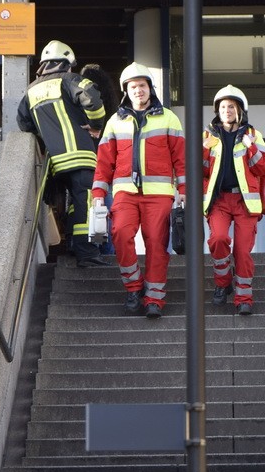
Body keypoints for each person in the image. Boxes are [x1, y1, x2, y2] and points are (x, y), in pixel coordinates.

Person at [91, 62, 186, 318]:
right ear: (126, 91)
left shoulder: (169, 118)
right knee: (120, 234)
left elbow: (181, 159)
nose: (138, 91)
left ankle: (154, 298)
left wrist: (184, 189)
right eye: (133, 87)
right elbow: (103, 163)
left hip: (159, 195)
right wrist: (98, 194)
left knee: (156, 244)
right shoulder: (114, 122)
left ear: (149, 88)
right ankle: (134, 288)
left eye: (142, 86)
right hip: (125, 194)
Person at [17, 40, 110, 268]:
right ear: (67, 63)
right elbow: (92, 98)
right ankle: (86, 253)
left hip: (55, 163)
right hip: (80, 155)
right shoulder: (71, 80)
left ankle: (71, 245)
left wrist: (47, 137)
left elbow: (23, 123)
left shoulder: (30, 90)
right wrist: (96, 124)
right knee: (85, 201)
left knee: (71, 203)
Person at [201, 85, 265, 315]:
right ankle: (223, 284)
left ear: (240, 110)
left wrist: (251, 146)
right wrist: (203, 150)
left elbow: (263, 167)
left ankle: (244, 297)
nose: (226, 110)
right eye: (222, 107)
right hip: (219, 201)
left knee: (243, 252)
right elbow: (198, 170)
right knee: (218, 240)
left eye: (231, 106)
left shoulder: (254, 135)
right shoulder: (207, 136)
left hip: (245, 203)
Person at [80, 63, 119, 255]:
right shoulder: (114, 113)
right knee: (107, 209)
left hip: (86, 164)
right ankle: (109, 253)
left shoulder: (83, 107)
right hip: (109, 167)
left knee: (86, 208)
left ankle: (89, 250)